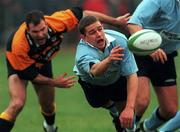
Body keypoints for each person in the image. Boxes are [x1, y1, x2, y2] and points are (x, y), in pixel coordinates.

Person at [0, 7, 131, 132]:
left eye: (42, 29)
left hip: (43, 61)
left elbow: (85, 15)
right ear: (27, 30)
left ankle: (50, 128)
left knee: (48, 106)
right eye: (35, 32)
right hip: (20, 66)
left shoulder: (57, 22)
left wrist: (116, 21)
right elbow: (29, 74)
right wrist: (54, 82)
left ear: (46, 24)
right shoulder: (17, 46)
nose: (40, 34)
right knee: (17, 103)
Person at [73, 15, 138, 132]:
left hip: (116, 78)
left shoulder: (120, 41)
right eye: (92, 32)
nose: (98, 34)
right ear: (83, 37)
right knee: (99, 103)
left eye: (100, 29)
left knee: (126, 111)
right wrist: (109, 59)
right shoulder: (82, 54)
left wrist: (130, 108)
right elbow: (95, 71)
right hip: (93, 84)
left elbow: (131, 74)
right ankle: (113, 111)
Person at [127, 0, 180, 131]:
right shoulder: (159, 1)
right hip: (141, 50)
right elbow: (133, 24)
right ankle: (127, 129)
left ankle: (145, 128)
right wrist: (150, 48)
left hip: (165, 56)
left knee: (170, 110)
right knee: (141, 101)